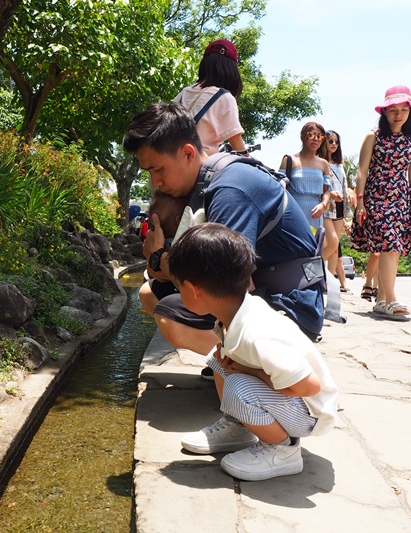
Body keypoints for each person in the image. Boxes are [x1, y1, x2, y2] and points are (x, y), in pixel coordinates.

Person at [123, 102, 324, 360]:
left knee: (170, 316)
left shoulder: (230, 189)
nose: (155, 183)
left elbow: (222, 280)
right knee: (150, 293)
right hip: (263, 291)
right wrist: (158, 262)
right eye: (149, 172)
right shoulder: (206, 185)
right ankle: (235, 360)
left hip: (292, 310)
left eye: (158, 169)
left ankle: (253, 369)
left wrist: (158, 257)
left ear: (187, 153)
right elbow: (167, 275)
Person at [168, 223, 338, 481]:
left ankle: (283, 450)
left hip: (310, 413)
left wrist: (249, 372)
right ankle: (240, 427)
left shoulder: (257, 333)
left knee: (239, 387)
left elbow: (309, 386)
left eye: (179, 288)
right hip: (293, 401)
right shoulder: (235, 314)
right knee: (218, 360)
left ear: (194, 290)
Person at [350, 85, 411, 316]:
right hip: (376, 195)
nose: (398, 114)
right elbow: (362, 171)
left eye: (404, 109)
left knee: (392, 248)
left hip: (402, 198)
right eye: (393, 110)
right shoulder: (373, 136)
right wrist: (360, 201)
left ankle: (381, 300)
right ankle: (391, 299)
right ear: (385, 112)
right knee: (389, 245)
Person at [174, 39, 247, 156]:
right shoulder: (224, 97)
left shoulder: (184, 92)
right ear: (231, 69)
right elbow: (237, 144)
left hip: (174, 163)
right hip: (199, 168)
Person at [279, 123, 332, 233]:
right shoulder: (289, 160)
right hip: (292, 210)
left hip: (315, 213)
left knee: (313, 247)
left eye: (320, 136)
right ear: (303, 136)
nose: (316, 139)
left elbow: (326, 191)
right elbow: (279, 188)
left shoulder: (323, 164)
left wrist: (323, 205)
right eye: (312, 135)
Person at [319, 130, 350, 287]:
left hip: (339, 205)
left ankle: (329, 282)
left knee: (336, 249)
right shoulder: (319, 162)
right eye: (330, 141)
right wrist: (331, 194)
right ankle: (312, 269)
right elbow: (318, 185)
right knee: (332, 242)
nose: (334, 144)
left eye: (336, 141)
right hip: (326, 204)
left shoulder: (340, 164)